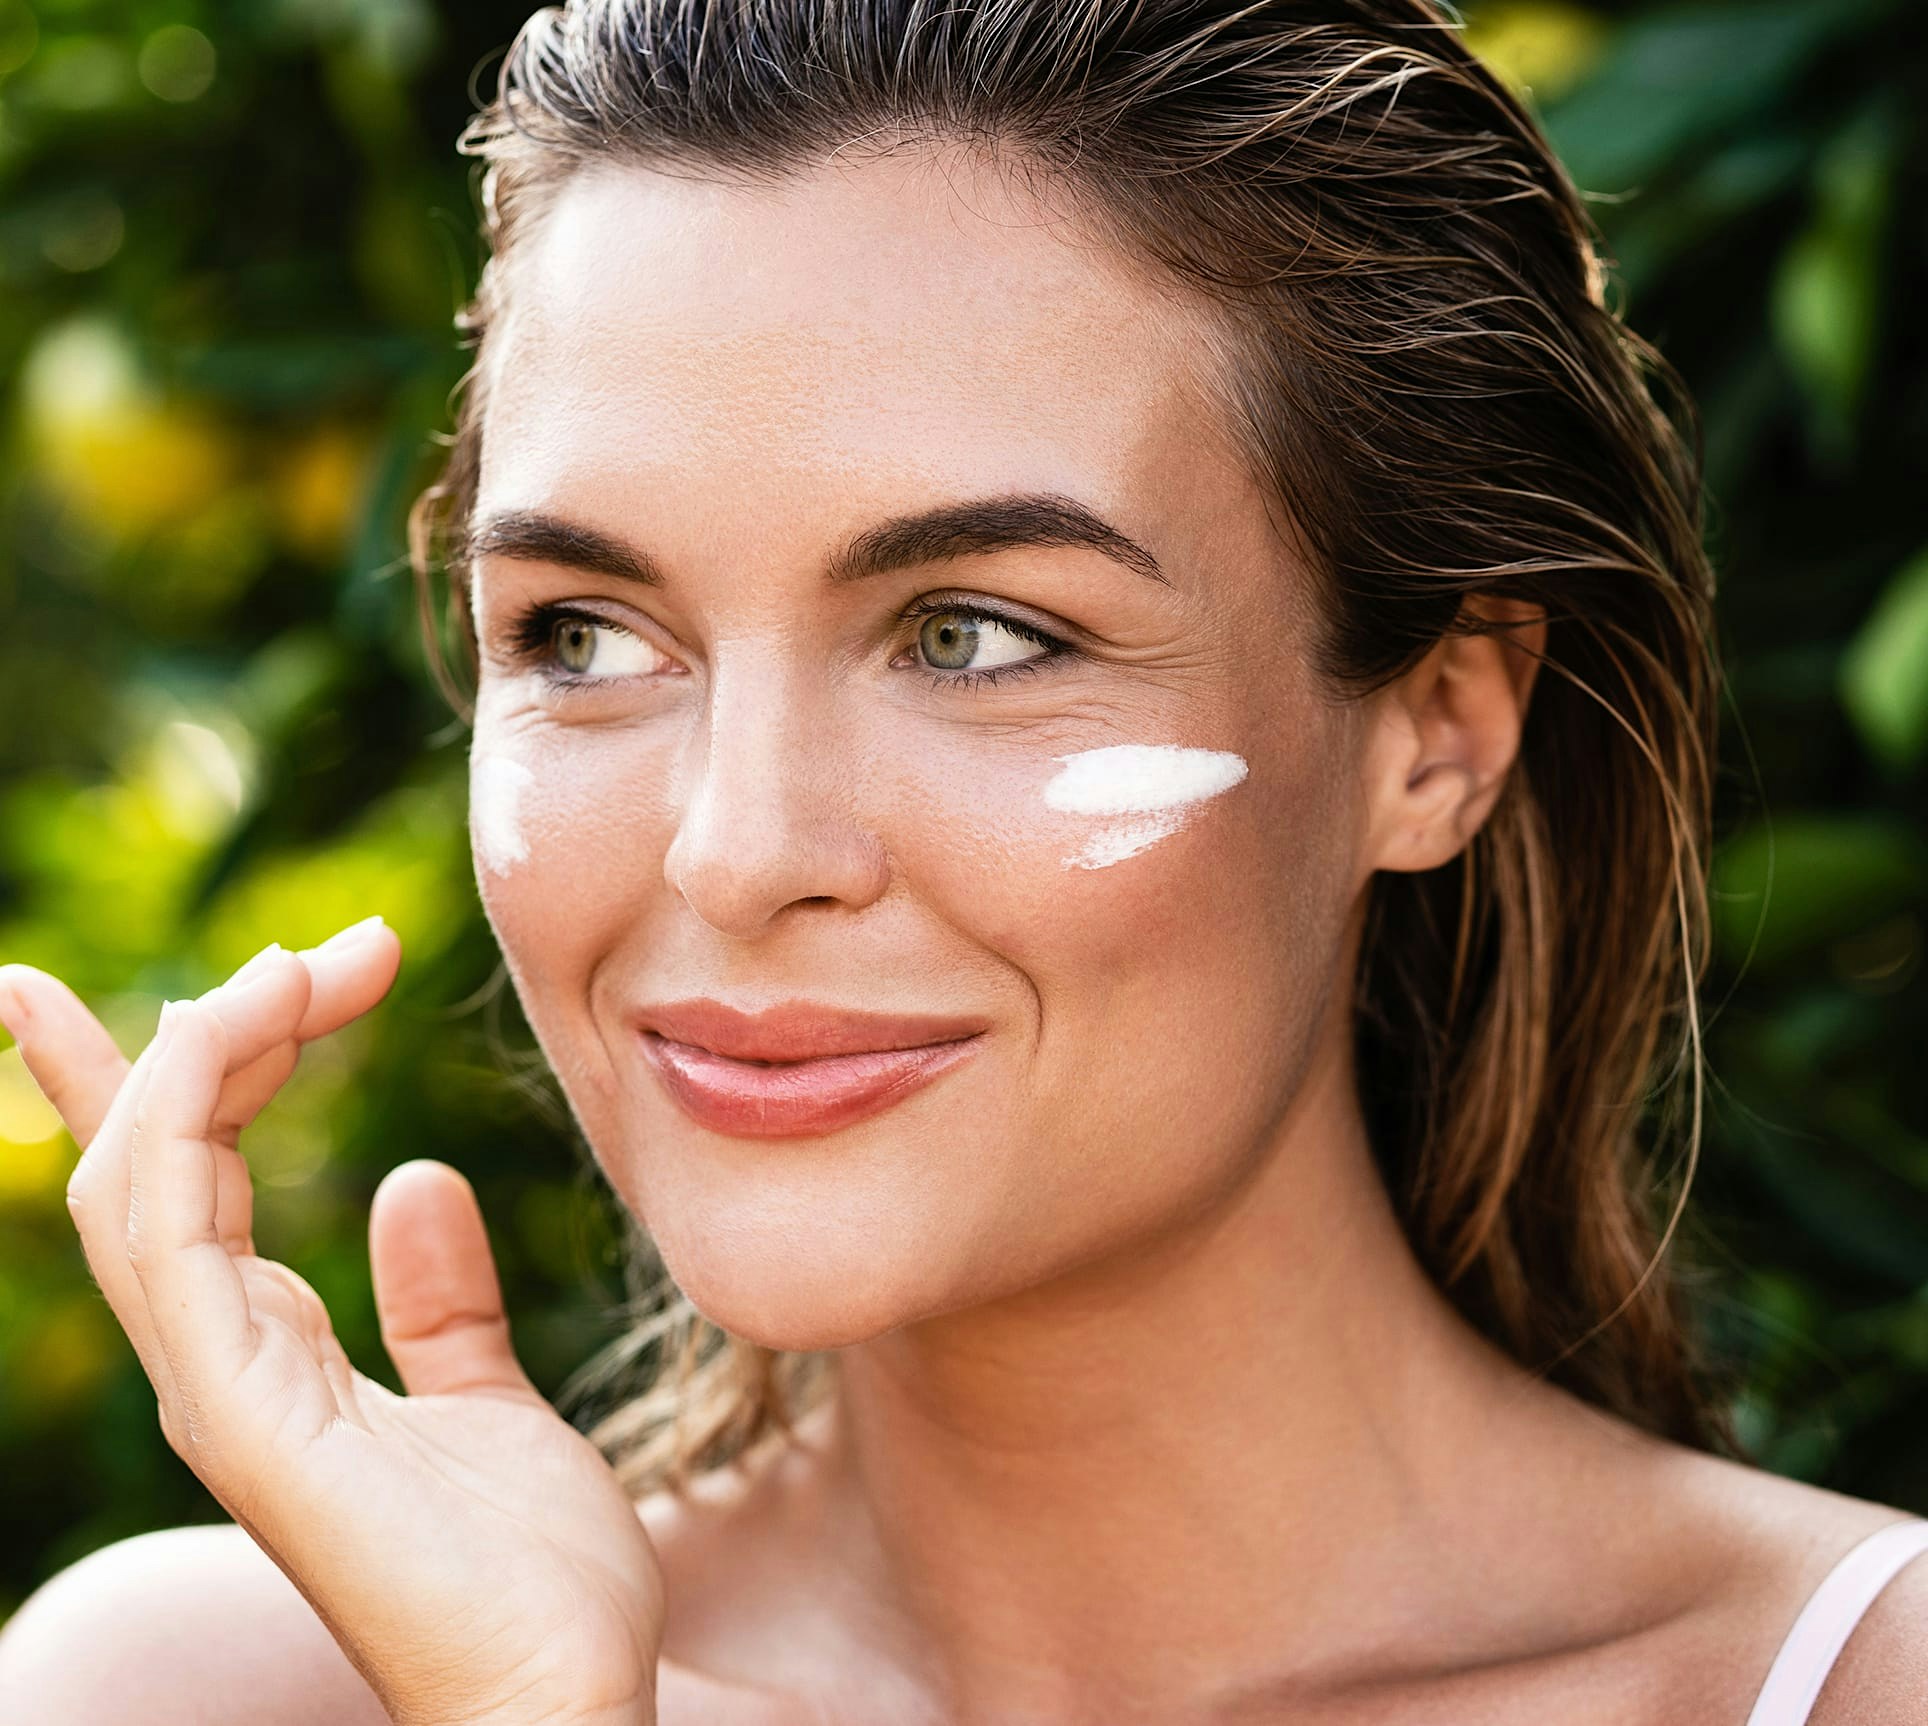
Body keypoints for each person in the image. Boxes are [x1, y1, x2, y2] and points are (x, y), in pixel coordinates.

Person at [0, 2, 1922, 1722]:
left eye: (974, 634)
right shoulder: (196, 1696)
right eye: (585, 634)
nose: (736, 851)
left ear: (1437, 730)